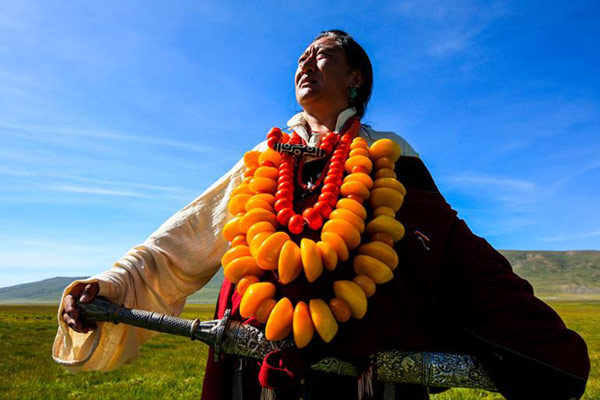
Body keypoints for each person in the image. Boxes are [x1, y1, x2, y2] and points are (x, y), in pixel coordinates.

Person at [54, 30, 590, 399]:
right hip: (251, 367)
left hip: (366, 380)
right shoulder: (266, 159)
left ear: (356, 76)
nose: (306, 62)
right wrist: (112, 284)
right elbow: (185, 235)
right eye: (301, 57)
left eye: (323, 54)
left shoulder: (389, 154)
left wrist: (544, 343)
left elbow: (454, 251)